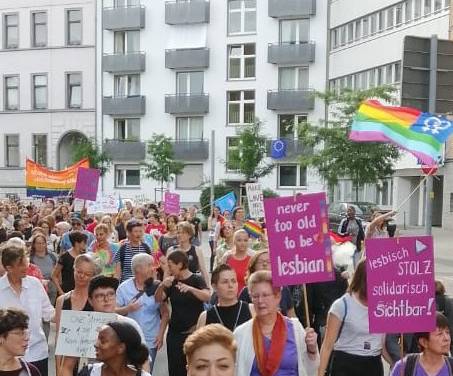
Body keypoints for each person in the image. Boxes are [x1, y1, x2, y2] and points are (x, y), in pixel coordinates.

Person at [234, 270, 319, 376]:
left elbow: (311, 370)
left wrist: (312, 350)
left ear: (277, 296)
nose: (260, 301)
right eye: (255, 296)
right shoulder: (241, 333)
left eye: (265, 295)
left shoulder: (295, 328)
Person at [318, 259, 390, 376]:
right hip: (346, 364)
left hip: (373, 365)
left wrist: (398, 364)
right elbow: (327, 345)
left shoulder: (384, 307)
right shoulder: (342, 305)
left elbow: (381, 346)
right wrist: (320, 373)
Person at [0, 244, 54, 376]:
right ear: (9, 268)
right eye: (21, 264)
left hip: (38, 353)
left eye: (26, 262)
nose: (26, 267)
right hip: (7, 359)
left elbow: (49, 313)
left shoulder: (35, 284)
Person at [155, 250, 210, 376]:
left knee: (194, 368)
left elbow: (207, 296)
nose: (168, 269)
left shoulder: (196, 279)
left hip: (193, 333)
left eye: (170, 265)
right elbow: (158, 299)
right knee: (175, 370)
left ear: (180, 264)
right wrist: (162, 285)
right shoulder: (171, 282)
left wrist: (190, 289)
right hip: (175, 334)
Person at [116, 253, 169, 371]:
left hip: (150, 339)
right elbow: (114, 311)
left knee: (146, 371)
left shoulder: (157, 286)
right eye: (149, 265)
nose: (153, 268)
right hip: (128, 339)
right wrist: (128, 309)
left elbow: (165, 313)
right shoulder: (124, 287)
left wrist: (160, 334)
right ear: (138, 268)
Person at [55, 254, 97, 376]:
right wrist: (58, 368)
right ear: (74, 269)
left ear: (92, 275)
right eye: (79, 271)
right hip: (67, 363)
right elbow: (59, 337)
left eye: (87, 274)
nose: (82, 276)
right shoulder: (62, 300)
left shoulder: (95, 301)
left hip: (91, 362)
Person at [239, 250, 296, 317]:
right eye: (260, 262)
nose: (265, 264)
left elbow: (291, 315)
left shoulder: (283, 289)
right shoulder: (246, 291)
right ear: (253, 267)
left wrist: (301, 327)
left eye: (269, 261)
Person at [82, 321, 151, 376]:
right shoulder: (88, 372)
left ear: (121, 348)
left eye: (103, 341)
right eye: (97, 339)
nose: (96, 345)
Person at [197, 264, 251, 331]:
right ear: (214, 287)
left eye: (233, 281)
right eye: (225, 282)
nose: (230, 285)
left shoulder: (251, 310)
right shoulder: (205, 317)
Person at [0, 308, 41, 376]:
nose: (26, 338)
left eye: (26, 333)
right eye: (19, 333)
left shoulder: (31, 372)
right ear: (1, 337)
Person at [167, 221, 210, 286]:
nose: (180, 235)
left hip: (193, 286)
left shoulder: (197, 250)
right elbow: (167, 271)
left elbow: (203, 270)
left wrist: (208, 287)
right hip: (175, 286)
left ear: (189, 235)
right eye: (178, 232)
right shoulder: (171, 250)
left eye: (183, 233)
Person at [52, 230, 88, 295]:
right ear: (77, 243)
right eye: (83, 242)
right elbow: (54, 275)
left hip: (81, 291)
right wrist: (60, 291)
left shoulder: (85, 256)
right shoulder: (65, 256)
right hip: (67, 291)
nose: (85, 244)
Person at [29, 232, 58, 305]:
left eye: (42, 243)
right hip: (37, 287)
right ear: (34, 245)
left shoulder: (52, 256)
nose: (41, 245)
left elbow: (57, 272)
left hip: (52, 286)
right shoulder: (30, 258)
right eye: (38, 243)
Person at [220, 229, 253, 295]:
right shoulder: (227, 258)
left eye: (245, 240)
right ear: (234, 241)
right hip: (229, 295)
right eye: (239, 240)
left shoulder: (252, 259)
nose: (242, 243)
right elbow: (220, 278)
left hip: (247, 297)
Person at [207, 207, 223, 272]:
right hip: (212, 237)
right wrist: (217, 229)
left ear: (219, 211)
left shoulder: (221, 218)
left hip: (220, 238)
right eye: (215, 210)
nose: (216, 212)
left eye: (217, 210)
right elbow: (209, 227)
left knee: (219, 252)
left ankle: (218, 267)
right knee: (213, 252)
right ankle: (211, 268)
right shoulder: (211, 218)